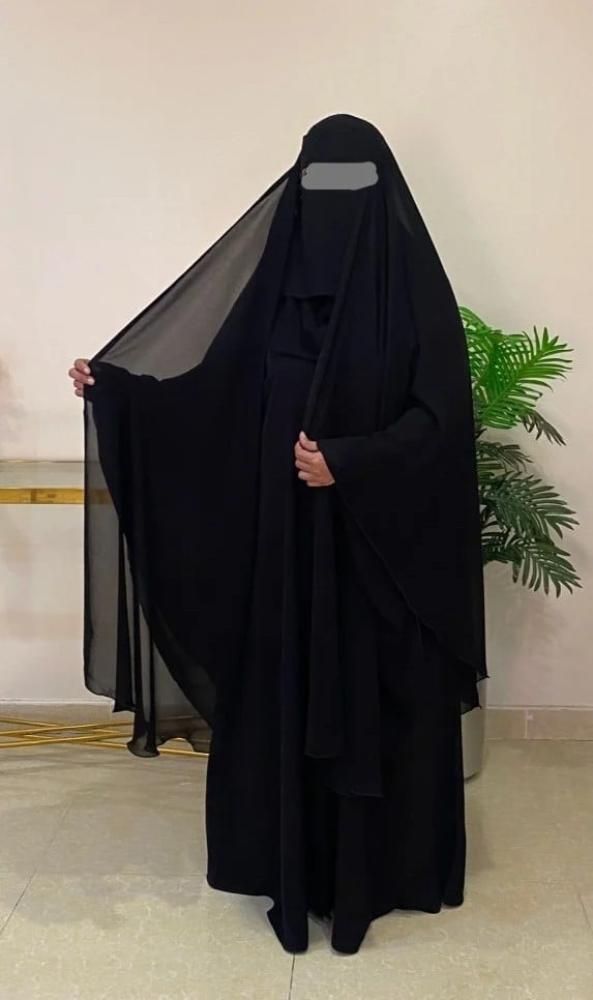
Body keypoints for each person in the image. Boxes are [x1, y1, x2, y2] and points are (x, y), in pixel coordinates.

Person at [68, 113, 488, 955]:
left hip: (376, 567)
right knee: (282, 695)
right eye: (318, 183)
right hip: (282, 559)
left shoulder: (414, 299)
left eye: (351, 185)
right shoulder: (270, 298)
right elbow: (212, 396)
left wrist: (350, 463)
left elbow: (440, 424)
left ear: (382, 195)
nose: (331, 204)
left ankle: (376, 876)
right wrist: (121, 395)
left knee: (375, 706)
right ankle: (287, 867)